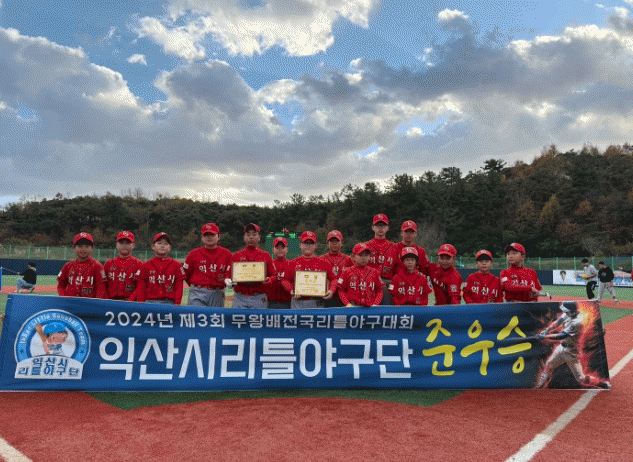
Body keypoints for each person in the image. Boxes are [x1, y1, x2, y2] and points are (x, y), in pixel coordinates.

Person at [535, 302, 610, 389]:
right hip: (561, 347)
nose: (565, 313)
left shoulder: (577, 322)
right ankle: (539, 387)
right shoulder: (569, 313)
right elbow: (558, 321)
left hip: (571, 352)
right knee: (549, 365)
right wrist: (547, 330)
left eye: (567, 311)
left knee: (581, 379)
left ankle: (603, 384)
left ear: (573, 311)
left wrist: (545, 337)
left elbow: (562, 335)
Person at [225, 223, 274, 309]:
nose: (251, 237)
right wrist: (228, 281)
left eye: (254, 234)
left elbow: (273, 274)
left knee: (258, 318)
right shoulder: (237, 255)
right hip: (240, 296)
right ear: (244, 237)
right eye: (248, 235)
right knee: (238, 318)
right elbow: (228, 274)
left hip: (259, 296)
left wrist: (269, 280)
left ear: (259, 237)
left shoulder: (265, 255)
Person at [183, 223, 232, 307]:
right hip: (197, 291)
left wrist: (228, 279)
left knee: (215, 315)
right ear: (202, 237)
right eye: (206, 235)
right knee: (197, 315)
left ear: (218, 236)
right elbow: (186, 274)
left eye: (212, 235)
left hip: (217, 292)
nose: (209, 237)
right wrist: (197, 284)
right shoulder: (193, 254)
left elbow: (230, 272)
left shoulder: (226, 254)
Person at [130, 232, 185, 305]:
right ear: (153, 246)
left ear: (170, 248)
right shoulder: (146, 265)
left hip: (169, 302)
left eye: (166, 244)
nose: (162, 246)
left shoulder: (176, 265)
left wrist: (177, 304)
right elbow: (141, 288)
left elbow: (179, 287)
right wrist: (141, 305)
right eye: (159, 243)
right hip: (149, 302)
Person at [287, 231, 337, 309]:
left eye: (311, 243)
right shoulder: (293, 262)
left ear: (316, 245)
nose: (308, 246)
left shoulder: (323, 262)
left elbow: (334, 278)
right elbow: (284, 279)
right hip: (298, 301)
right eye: (305, 243)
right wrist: (291, 290)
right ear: (300, 245)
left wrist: (331, 290)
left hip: (317, 301)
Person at [57, 232, 107, 298]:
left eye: (87, 246)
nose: (83, 249)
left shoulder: (97, 266)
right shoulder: (68, 266)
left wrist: (96, 302)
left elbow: (101, 287)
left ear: (92, 248)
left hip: (89, 302)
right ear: (74, 247)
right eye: (80, 246)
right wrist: (64, 298)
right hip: (70, 302)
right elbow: (61, 285)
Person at [337, 243, 384, 307]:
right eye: (360, 255)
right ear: (353, 257)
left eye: (366, 255)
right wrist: (347, 304)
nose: (364, 258)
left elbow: (379, 290)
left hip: (370, 308)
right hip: (353, 307)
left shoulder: (374, 272)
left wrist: (375, 304)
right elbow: (341, 290)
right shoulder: (346, 271)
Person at [365, 213, 395, 305]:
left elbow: (398, 268)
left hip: (387, 283)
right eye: (378, 225)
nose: (381, 228)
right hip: (369, 283)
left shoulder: (394, 247)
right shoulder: (365, 246)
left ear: (388, 228)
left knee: (387, 310)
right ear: (373, 228)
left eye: (383, 225)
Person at [103, 230, 143, 301]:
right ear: (116, 245)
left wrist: (130, 301)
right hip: (110, 301)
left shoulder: (139, 264)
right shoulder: (108, 264)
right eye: (121, 243)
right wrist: (107, 301)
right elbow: (103, 285)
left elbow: (140, 286)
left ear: (133, 245)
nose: (124, 245)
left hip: (131, 302)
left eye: (128, 243)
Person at [320, 230, 353, 307]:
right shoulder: (321, 259)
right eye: (332, 241)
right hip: (326, 294)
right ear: (327, 243)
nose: (334, 243)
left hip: (343, 295)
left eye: (337, 241)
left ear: (341, 243)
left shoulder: (348, 259)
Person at [267, 237, 294, 309]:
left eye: (282, 247)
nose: (280, 249)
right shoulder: (269, 264)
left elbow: (296, 283)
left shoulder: (292, 264)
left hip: (288, 303)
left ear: (287, 249)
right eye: (277, 247)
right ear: (273, 249)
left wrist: (287, 284)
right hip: (270, 302)